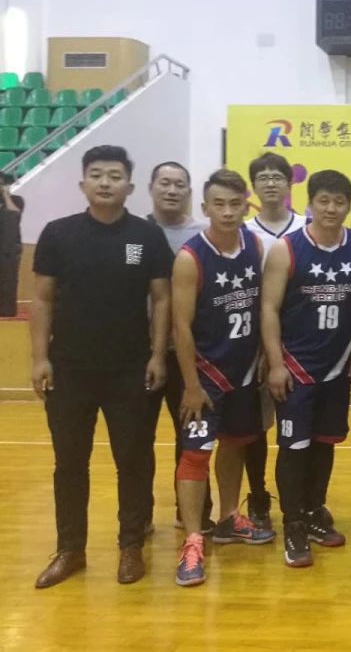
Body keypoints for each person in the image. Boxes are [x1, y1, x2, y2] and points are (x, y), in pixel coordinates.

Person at [32, 145, 172, 588]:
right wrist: (39, 358)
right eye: (96, 174)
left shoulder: (147, 237)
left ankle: (131, 546)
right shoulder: (58, 233)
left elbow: (162, 299)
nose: (105, 182)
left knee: (133, 459)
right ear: (83, 183)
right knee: (69, 462)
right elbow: (42, 299)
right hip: (68, 369)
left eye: (114, 175)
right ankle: (70, 549)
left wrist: (157, 354)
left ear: (129, 186)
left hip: (130, 369)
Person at [262, 169, 351, 567]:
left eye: (339, 202)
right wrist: (276, 364)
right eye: (323, 200)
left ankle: (313, 511)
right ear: (309, 203)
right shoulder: (286, 249)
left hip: (337, 364)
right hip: (296, 366)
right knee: (295, 447)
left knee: (325, 443)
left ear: (348, 206)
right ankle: (293, 523)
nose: (331, 208)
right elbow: (268, 309)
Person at [172, 169, 275, 586]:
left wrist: (265, 355)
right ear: (205, 207)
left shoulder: (254, 245)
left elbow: (262, 307)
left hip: (244, 371)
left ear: (246, 205)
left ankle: (230, 517)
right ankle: (194, 539)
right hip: (205, 375)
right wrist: (191, 385)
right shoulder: (190, 257)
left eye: (235, 204)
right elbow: (180, 327)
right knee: (196, 454)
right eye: (219, 204)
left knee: (235, 444)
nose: (228, 212)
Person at [145, 161, 212, 533]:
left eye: (179, 184)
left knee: (193, 437)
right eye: (164, 183)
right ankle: (139, 516)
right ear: (151, 187)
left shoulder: (202, 235)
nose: (172, 190)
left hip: (192, 355)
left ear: (189, 191)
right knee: (138, 439)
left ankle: (194, 516)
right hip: (143, 354)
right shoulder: (137, 232)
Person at [244, 152, 307, 531]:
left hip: (302, 344)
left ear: (290, 182)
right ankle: (257, 493)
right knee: (256, 426)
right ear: (253, 186)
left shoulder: (307, 226)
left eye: (277, 176)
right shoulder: (244, 233)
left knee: (300, 428)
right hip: (255, 345)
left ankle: (304, 501)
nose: (270, 183)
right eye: (263, 177)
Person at [0, 173, 25, 317]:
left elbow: (15, 214)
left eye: (1, 183)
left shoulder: (16, 200)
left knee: (9, 280)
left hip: (10, 248)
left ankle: (7, 312)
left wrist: (5, 194)